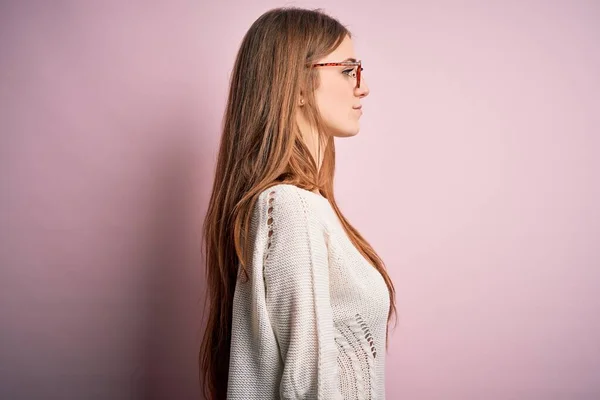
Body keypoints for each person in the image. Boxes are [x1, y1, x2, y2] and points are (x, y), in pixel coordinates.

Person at [199, 6, 397, 399]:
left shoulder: (299, 205)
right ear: (298, 85)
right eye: (347, 70)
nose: (363, 86)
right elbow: (310, 386)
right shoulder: (291, 208)